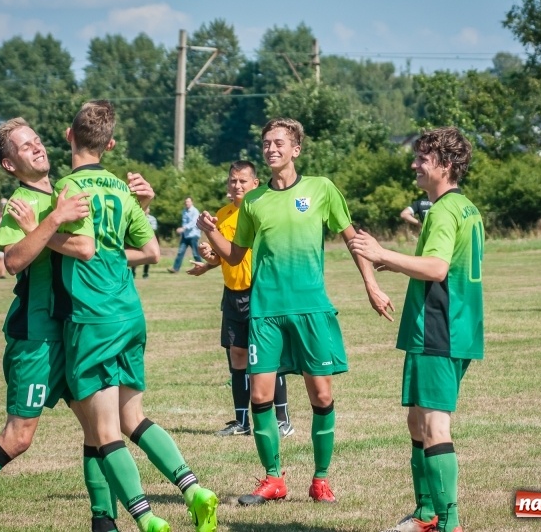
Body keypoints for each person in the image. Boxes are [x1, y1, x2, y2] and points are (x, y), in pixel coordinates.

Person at [0, 117, 149, 532]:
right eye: (25, 147)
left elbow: (107, 247)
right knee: (19, 436)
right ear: (10, 165)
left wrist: (142, 205)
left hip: (75, 329)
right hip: (37, 335)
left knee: (99, 429)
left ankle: (104, 523)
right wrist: (52, 219)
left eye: (37, 141)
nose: (37, 148)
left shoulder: (67, 189)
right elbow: (13, 260)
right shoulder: (22, 203)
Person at [197, 117, 393, 506]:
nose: (271, 149)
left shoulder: (321, 189)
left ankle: (320, 480)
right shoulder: (254, 201)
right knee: (260, 396)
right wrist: (210, 231)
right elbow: (235, 255)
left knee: (321, 395)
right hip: (265, 312)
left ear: (296, 149)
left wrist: (371, 285)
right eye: (266, 143)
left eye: (279, 143)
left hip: (311, 310)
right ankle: (273, 479)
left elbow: (353, 240)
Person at [52, 100, 218, 532]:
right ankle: (194, 490)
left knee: (104, 431)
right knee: (133, 419)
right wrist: (113, 250)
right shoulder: (123, 192)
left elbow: (79, 246)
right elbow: (151, 252)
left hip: (92, 317)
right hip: (129, 312)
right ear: (109, 145)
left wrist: (44, 233)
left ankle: (145, 520)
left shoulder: (65, 189)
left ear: (69, 136)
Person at [349, 127, 481, 532]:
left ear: (446, 164)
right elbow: (443, 265)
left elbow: (438, 268)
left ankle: (448, 523)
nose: (414, 165)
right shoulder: (464, 207)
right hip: (453, 328)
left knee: (434, 425)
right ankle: (426, 513)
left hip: (440, 329)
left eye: (423, 158)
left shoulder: (441, 211)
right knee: (417, 420)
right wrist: (396, 263)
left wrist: (382, 253)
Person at [187, 160, 295, 438]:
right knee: (237, 356)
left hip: (260, 293)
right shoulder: (222, 215)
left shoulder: (260, 211)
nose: (237, 185)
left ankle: (282, 419)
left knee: (268, 357)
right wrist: (209, 259)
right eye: (233, 180)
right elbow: (226, 255)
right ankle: (241, 422)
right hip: (232, 294)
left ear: (255, 183)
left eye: (242, 181)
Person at [167, 196, 201, 273]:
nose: (187, 203)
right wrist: (182, 230)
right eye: (186, 202)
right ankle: (175, 269)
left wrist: (183, 228)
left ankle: (201, 267)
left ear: (192, 202)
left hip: (193, 235)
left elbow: (193, 223)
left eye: (188, 201)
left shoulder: (195, 211)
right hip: (185, 235)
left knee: (195, 253)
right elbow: (184, 222)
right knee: (180, 252)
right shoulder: (184, 211)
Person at [131, 205, 158, 279]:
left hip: (147, 240)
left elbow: (154, 229)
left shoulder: (152, 219)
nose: (146, 210)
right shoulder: (136, 217)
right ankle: (133, 272)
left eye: (148, 208)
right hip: (136, 240)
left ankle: (145, 273)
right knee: (135, 256)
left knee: (148, 257)